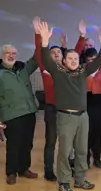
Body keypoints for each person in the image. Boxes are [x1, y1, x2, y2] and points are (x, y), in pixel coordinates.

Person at [38, 21, 101, 191]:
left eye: (75, 58)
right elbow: (46, 60)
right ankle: (63, 181)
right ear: (63, 61)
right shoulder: (58, 71)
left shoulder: (83, 70)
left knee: (82, 150)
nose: (73, 61)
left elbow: (98, 61)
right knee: (64, 151)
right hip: (66, 117)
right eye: (69, 58)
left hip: (83, 117)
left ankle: (80, 179)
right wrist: (45, 43)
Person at [33, 17, 89, 181]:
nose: (56, 54)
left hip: (68, 111)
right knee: (51, 142)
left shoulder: (67, 70)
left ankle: (71, 168)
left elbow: (75, 54)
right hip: (52, 109)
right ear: (49, 56)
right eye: (53, 52)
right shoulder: (46, 68)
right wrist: (39, 35)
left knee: (70, 144)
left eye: (59, 53)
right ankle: (49, 169)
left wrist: (82, 36)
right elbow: (39, 52)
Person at [0, 44, 39, 185]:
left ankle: (23, 169)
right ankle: (11, 172)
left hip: (28, 111)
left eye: (14, 53)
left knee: (27, 143)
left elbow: (37, 58)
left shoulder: (24, 68)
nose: (11, 55)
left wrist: (41, 38)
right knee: (14, 144)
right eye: (8, 53)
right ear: (2, 55)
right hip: (10, 114)